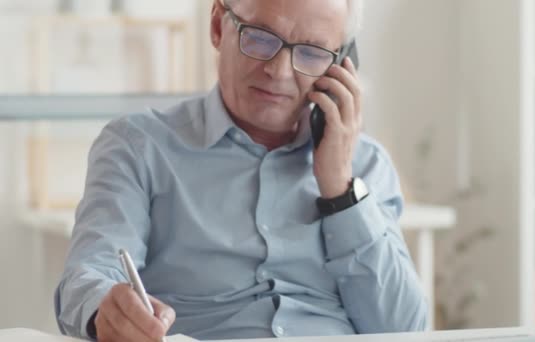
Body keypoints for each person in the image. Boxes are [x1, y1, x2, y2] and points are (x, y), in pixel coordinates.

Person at [54, 0, 428, 340]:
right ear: (218, 26)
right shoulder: (137, 146)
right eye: (261, 38)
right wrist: (109, 308)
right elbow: (90, 275)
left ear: (341, 66)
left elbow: (405, 329)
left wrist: (342, 191)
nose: (279, 72)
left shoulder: (366, 165)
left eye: (312, 53)